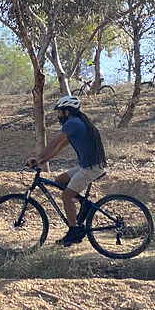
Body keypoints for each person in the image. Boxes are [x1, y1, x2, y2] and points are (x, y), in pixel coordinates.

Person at [24, 95, 108, 245]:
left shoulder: (72, 123)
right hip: (87, 166)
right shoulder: (78, 122)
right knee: (60, 181)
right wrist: (42, 162)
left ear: (67, 112)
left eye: (59, 112)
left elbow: (54, 142)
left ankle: (73, 231)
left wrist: (36, 158)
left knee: (66, 197)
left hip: (90, 169)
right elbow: (59, 147)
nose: (58, 115)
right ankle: (85, 204)